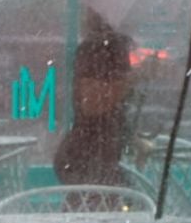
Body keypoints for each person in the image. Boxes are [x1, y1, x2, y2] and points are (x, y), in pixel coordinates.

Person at [52, 12, 139, 199]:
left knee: (94, 211)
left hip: (97, 155)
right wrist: (131, 80)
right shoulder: (95, 49)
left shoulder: (112, 47)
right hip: (88, 156)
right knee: (95, 210)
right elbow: (91, 103)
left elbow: (112, 109)